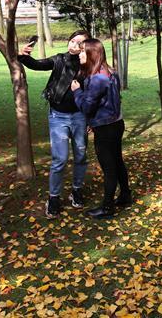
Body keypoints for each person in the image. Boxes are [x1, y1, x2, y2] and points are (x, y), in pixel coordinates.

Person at [18, 30, 89, 217]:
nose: (74, 45)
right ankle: (54, 198)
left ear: (86, 46)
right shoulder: (59, 59)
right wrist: (24, 57)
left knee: (81, 156)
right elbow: (38, 65)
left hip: (80, 117)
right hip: (59, 117)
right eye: (72, 40)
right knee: (60, 159)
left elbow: (92, 92)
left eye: (79, 43)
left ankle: (76, 190)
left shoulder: (88, 65)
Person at [71, 38, 132, 218]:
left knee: (109, 168)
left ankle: (107, 208)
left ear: (92, 54)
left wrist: (77, 91)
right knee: (117, 161)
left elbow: (87, 106)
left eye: (83, 51)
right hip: (115, 124)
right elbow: (108, 102)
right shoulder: (110, 72)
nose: (80, 54)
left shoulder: (97, 79)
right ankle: (125, 195)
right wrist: (92, 121)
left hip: (106, 129)